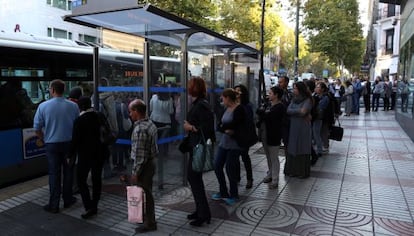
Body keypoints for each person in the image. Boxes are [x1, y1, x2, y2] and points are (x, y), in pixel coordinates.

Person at [33, 79, 79, 213]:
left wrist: (43, 137)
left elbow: (36, 127)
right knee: (68, 172)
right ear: (63, 90)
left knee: (54, 174)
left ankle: (54, 205)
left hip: (51, 145)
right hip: (69, 145)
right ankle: (68, 200)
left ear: (52, 90)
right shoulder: (73, 106)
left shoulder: (43, 106)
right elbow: (77, 126)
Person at [182, 77, 215, 227]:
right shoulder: (200, 103)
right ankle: (201, 211)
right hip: (195, 147)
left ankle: (203, 214)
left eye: (190, 85)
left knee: (194, 179)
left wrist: (191, 127)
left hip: (198, 148)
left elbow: (207, 128)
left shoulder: (201, 105)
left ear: (194, 87)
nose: (187, 87)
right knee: (195, 180)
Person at [66, 96, 105, 219]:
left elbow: (75, 140)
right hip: (100, 153)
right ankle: (95, 204)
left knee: (81, 180)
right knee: (96, 179)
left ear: (80, 106)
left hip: (85, 155)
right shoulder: (99, 116)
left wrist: (69, 155)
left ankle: (89, 207)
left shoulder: (79, 120)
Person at [129, 99, 159, 233]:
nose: (130, 114)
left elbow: (140, 155)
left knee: (145, 194)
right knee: (147, 193)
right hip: (150, 163)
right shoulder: (150, 123)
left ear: (136, 111)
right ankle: (149, 219)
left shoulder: (140, 129)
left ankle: (149, 223)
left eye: (131, 111)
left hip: (144, 166)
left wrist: (135, 172)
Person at [213, 88, 247, 205]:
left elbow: (236, 125)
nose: (222, 100)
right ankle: (223, 191)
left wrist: (226, 127)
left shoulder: (239, 109)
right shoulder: (226, 109)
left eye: (223, 98)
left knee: (230, 169)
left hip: (234, 144)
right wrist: (224, 128)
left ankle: (234, 194)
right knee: (217, 166)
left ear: (228, 98)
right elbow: (220, 125)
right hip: (224, 142)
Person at [257, 86, 286, 188]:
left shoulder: (280, 107)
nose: (268, 95)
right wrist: (263, 112)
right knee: (268, 156)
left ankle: (275, 180)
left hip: (274, 135)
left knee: (274, 157)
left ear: (276, 95)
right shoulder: (268, 104)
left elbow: (267, 117)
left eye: (270, 93)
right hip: (265, 133)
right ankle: (270, 174)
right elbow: (260, 112)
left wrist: (263, 113)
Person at [284, 81, 313, 178]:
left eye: (295, 88)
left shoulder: (308, 100)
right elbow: (288, 110)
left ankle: (301, 172)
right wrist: (299, 111)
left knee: (302, 147)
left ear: (300, 89)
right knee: (293, 147)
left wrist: (299, 112)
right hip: (294, 127)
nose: (293, 90)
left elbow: (303, 112)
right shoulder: (294, 99)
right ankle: (292, 171)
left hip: (303, 128)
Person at [234, 84, 255, 189]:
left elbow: (248, 121)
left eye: (239, 91)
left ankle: (249, 179)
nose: (237, 92)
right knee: (235, 157)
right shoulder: (232, 104)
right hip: (234, 136)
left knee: (244, 156)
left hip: (244, 136)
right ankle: (237, 177)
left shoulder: (247, 106)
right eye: (235, 90)